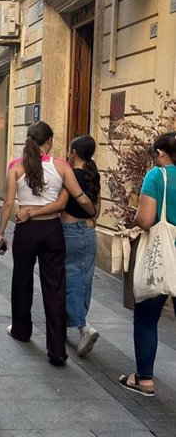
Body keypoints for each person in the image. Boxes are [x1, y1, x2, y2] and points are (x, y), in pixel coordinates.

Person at [0, 121, 95, 366]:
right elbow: (78, 196)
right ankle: (57, 350)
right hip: (52, 230)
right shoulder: (61, 166)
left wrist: (0, 234)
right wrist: (91, 209)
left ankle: (21, 330)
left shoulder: (16, 168)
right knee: (55, 288)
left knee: (22, 280)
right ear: (48, 141)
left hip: (26, 231)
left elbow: (8, 204)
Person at [18, 135, 102, 357]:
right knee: (84, 280)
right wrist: (93, 215)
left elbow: (62, 203)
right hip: (89, 231)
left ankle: (83, 327)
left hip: (70, 232)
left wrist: (31, 212)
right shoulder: (94, 174)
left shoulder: (69, 174)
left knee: (67, 280)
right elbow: (96, 206)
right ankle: (67, 326)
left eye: (69, 150)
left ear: (74, 152)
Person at [119, 132, 176, 397]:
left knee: (146, 318)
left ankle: (144, 380)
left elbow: (146, 219)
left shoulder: (157, 176)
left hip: (162, 256)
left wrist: (133, 219)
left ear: (161, 153)